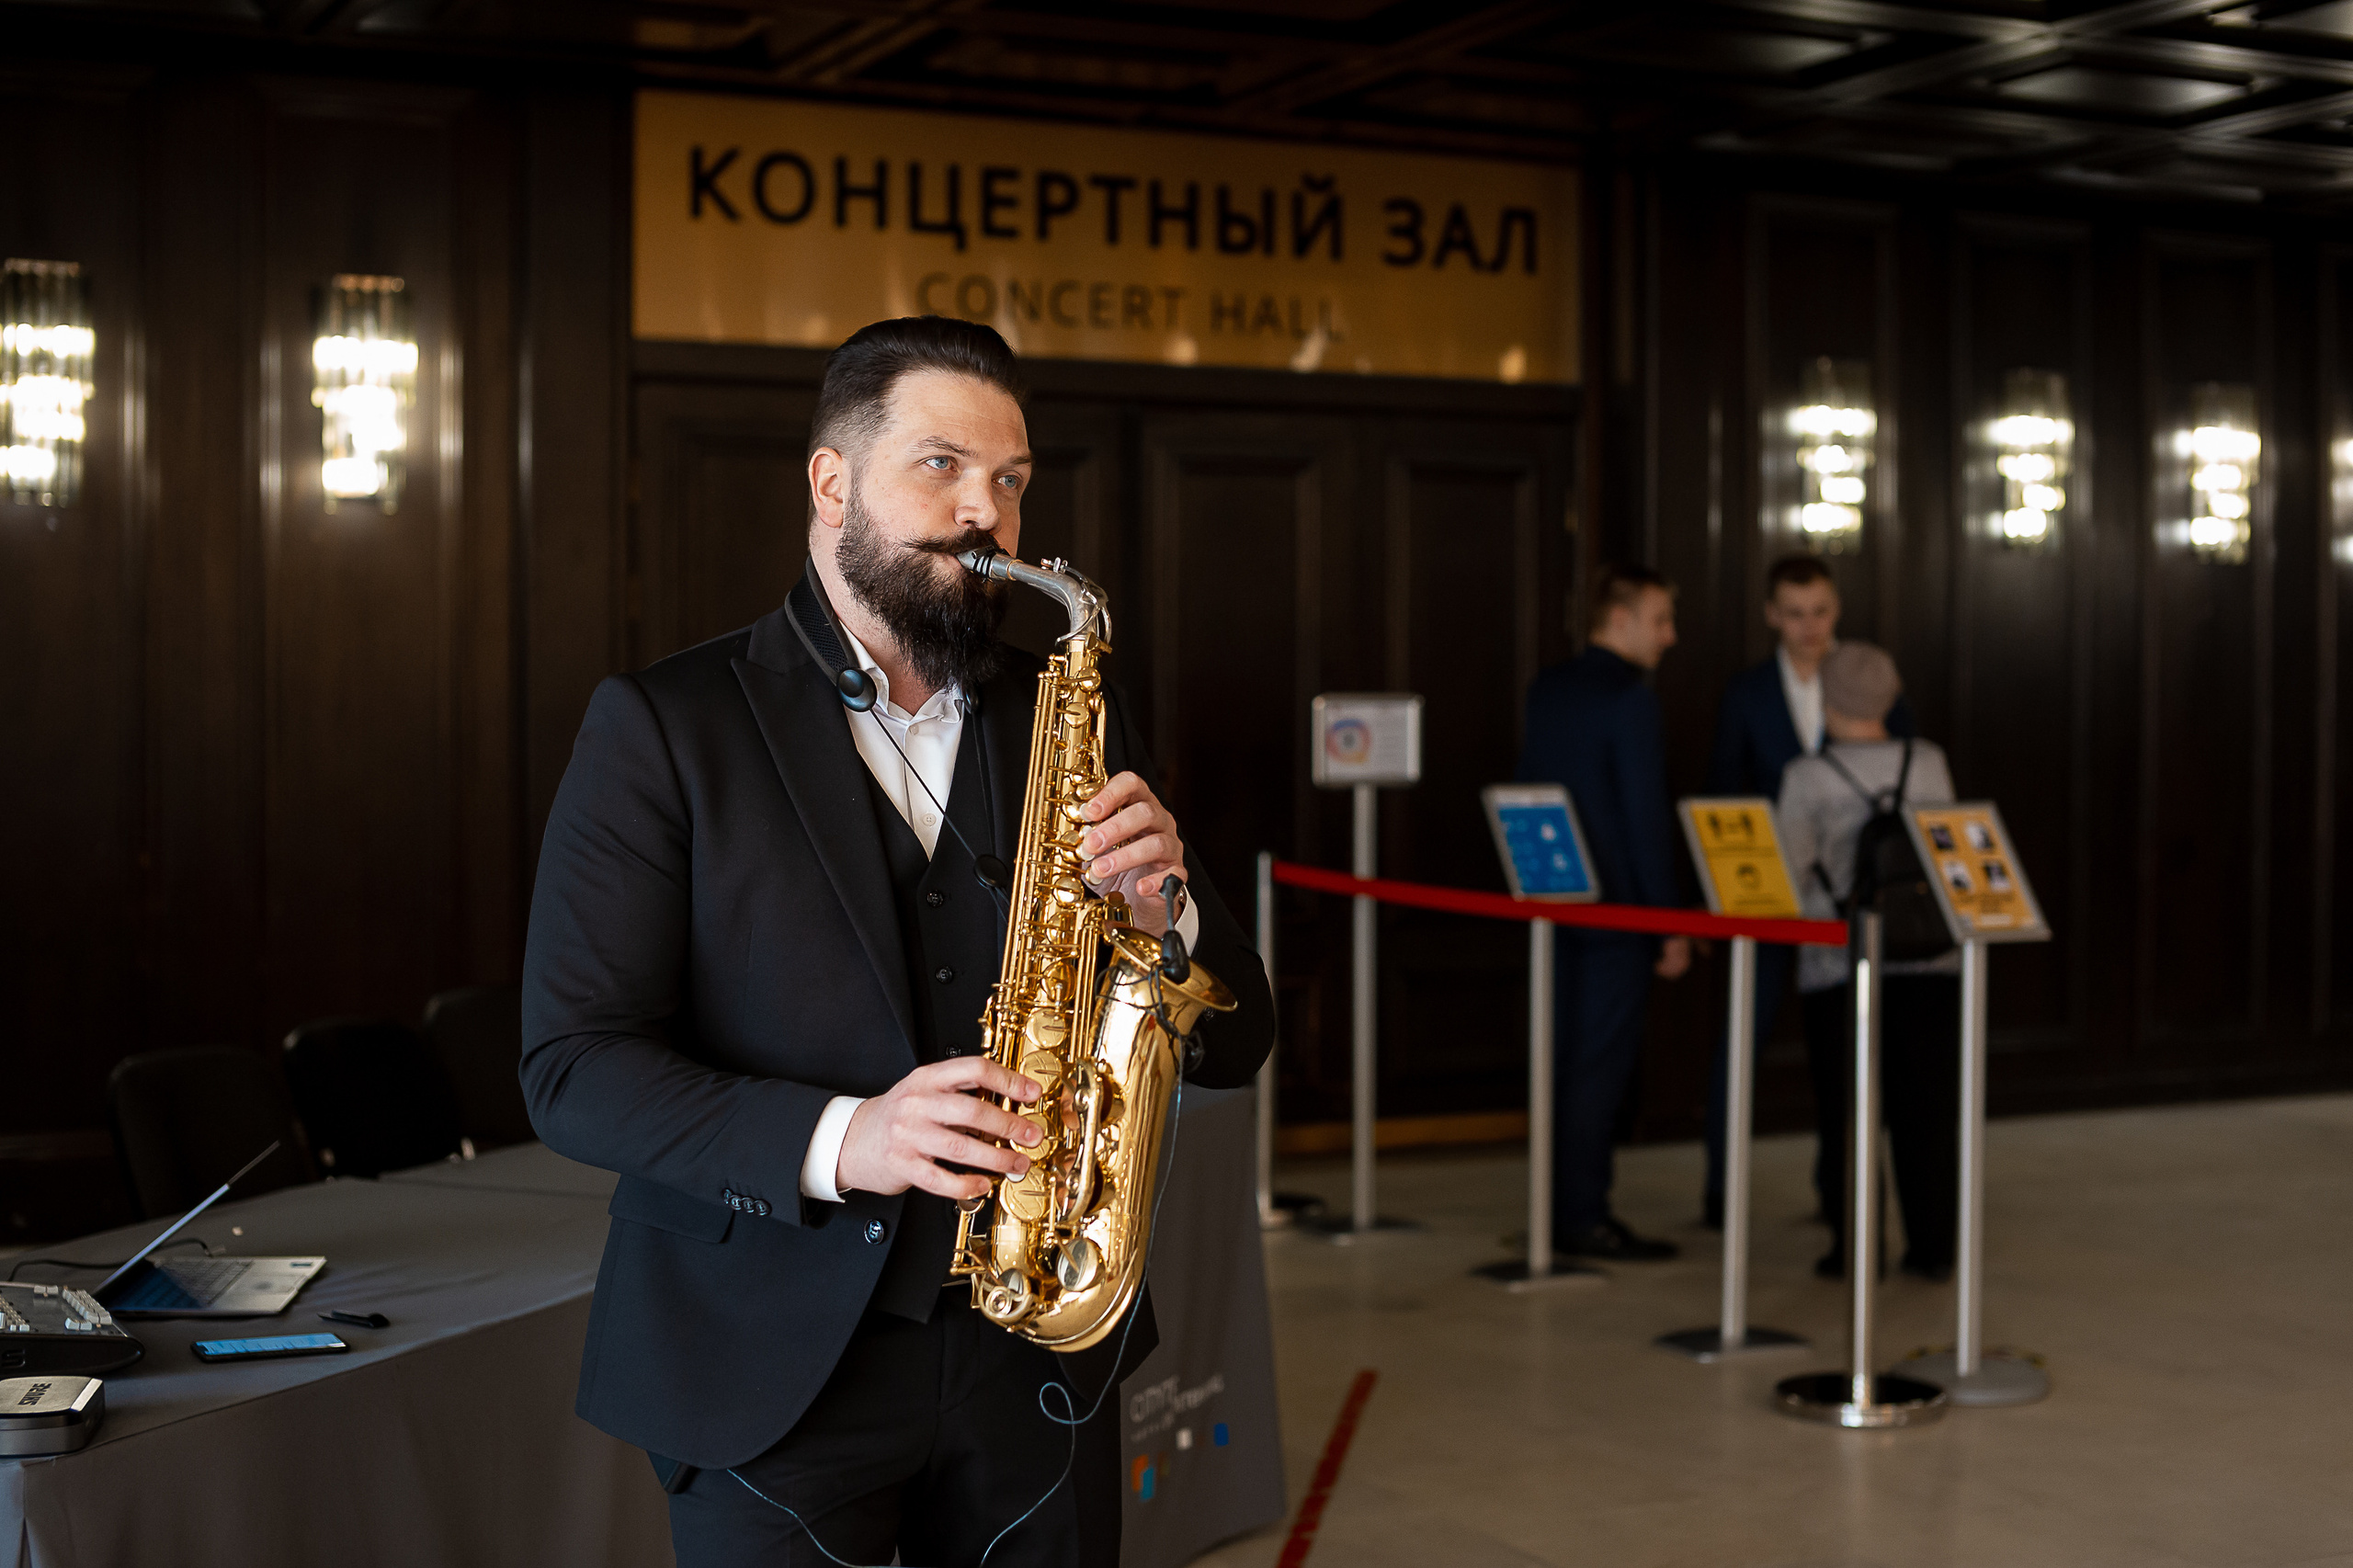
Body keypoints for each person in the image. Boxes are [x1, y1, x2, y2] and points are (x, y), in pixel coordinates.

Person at [519, 317, 1274, 1568]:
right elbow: (572, 1068)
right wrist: (846, 1136)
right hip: (772, 1365)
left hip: (1039, 1348)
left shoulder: (1068, 711)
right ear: (831, 481)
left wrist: (1166, 911)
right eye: (942, 465)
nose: (987, 514)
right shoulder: (664, 725)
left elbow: (1238, 1040)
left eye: (1011, 479)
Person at [1700, 554, 1915, 1227]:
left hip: (1853, 899)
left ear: (1836, 609)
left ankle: (1840, 1194)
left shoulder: (1870, 681)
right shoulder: (1746, 692)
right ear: (1772, 616)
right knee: (1740, 1042)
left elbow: (1901, 775)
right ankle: (1722, 1193)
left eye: (1820, 611)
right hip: (1768, 890)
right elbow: (1724, 792)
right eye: (1795, 614)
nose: (1810, 627)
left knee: (1848, 1053)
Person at [1516, 565, 1691, 1262]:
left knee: (1559, 1062)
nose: (1670, 636)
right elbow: (1644, 821)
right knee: (1597, 1071)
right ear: (1620, 620)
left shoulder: (1547, 689)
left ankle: (1552, 1209)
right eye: (1660, 620)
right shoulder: (1631, 700)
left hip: (1551, 906)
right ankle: (1583, 1216)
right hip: (1618, 916)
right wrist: (1670, 924)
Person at [1775, 641, 1958, 1281]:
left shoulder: (1808, 777)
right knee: (1927, 1110)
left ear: (1828, 702)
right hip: (1930, 964)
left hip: (1838, 965)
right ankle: (1933, 1246)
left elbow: (1789, 873)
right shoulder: (1928, 763)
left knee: (1848, 1112)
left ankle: (1856, 1249)